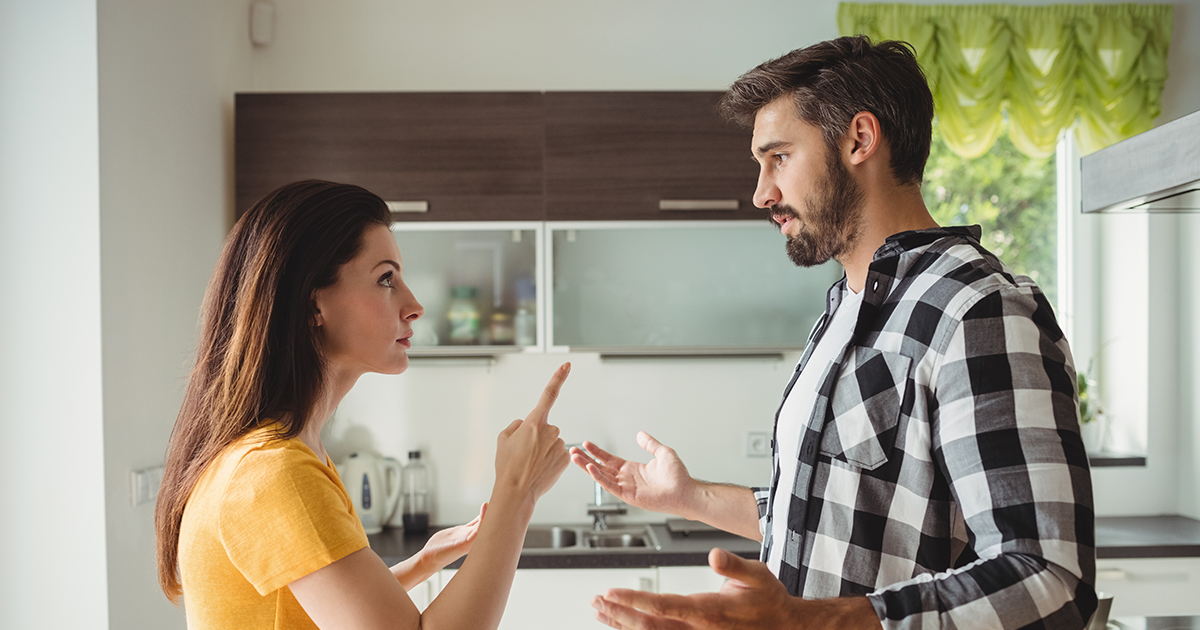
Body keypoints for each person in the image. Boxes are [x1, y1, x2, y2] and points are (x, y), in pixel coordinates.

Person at [571, 36, 1096, 630]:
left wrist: (813, 622)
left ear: (859, 139)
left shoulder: (977, 313)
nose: (761, 193)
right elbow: (833, 517)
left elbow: (1049, 578)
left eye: (779, 158)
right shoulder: (846, 308)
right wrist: (688, 497)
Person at [154, 180, 572, 629]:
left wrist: (424, 562)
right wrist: (515, 495)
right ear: (314, 303)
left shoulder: (277, 457)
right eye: (386, 278)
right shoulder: (274, 472)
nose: (414, 306)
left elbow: (321, 609)